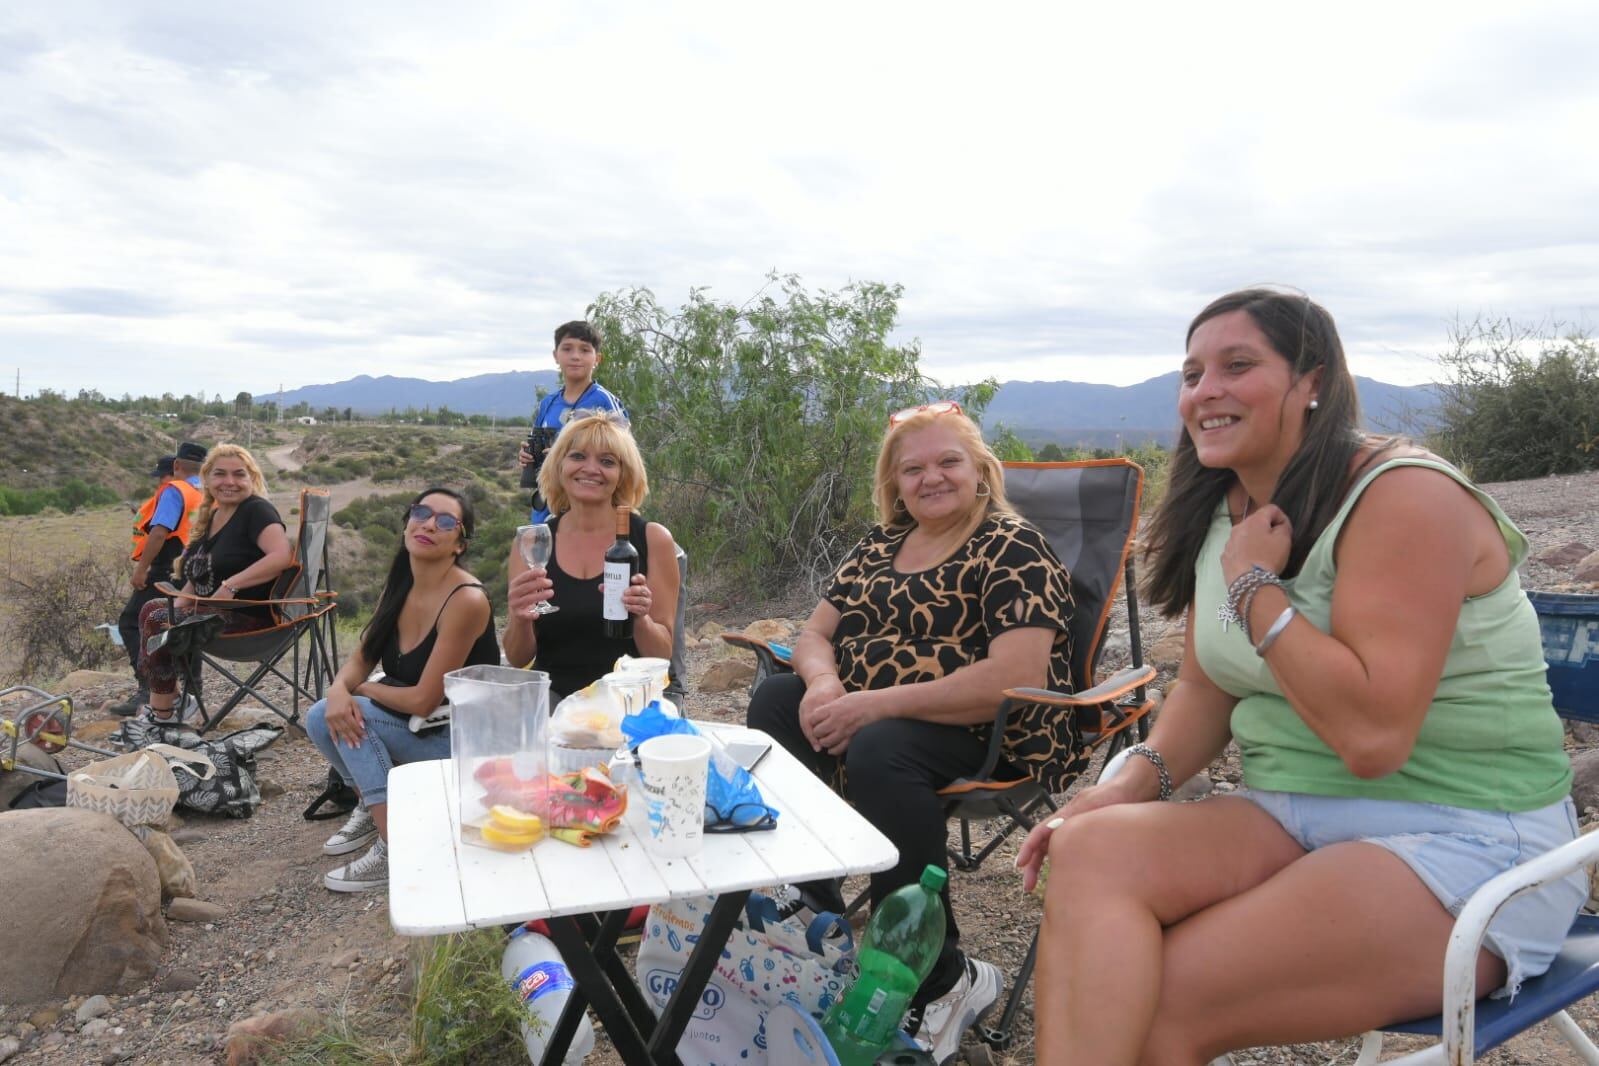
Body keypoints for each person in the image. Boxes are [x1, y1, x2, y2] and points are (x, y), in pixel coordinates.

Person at [1016, 288, 1581, 1066]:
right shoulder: (1223, 501)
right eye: (1191, 373)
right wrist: (1126, 785)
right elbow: (1210, 684)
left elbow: (1372, 738)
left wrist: (1255, 587)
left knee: (1159, 1002)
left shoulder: (1404, 495)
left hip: (1466, 834)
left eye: (1236, 365)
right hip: (1291, 814)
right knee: (1091, 850)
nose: (1203, 390)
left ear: (1311, 380)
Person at [746, 401, 1082, 1065]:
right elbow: (813, 634)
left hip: (991, 728)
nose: (931, 478)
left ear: (979, 469)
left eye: (947, 462)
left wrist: (870, 706)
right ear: (893, 483)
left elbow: (1009, 676)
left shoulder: (1012, 546)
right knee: (774, 702)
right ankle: (819, 915)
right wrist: (822, 686)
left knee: (881, 744)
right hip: (876, 711)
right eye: (912, 469)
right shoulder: (877, 546)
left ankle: (944, 977)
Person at [306, 488, 498, 893]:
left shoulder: (466, 599)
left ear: (459, 544)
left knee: (349, 709)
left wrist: (359, 692)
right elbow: (361, 659)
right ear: (407, 521)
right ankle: (369, 802)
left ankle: (397, 845)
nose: (429, 523)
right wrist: (341, 687)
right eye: (422, 512)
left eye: (446, 521)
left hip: (462, 743)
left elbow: (424, 699)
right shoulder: (400, 585)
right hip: (418, 727)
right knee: (322, 714)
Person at [503, 412, 677, 700]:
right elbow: (518, 658)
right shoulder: (533, 541)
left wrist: (641, 620)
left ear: (623, 474)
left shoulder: (652, 540)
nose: (591, 469)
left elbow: (663, 655)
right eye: (578, 456)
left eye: (607, 461)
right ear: (559, 466)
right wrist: (520, 619)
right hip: (553, 705)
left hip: (628, 701)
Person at [135, 444, 293, 724]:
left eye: (238, 475)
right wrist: (179, 604)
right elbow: (197, 577)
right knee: (154, 609)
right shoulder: (214, 517)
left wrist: (231, 586)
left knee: (160, 616)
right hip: (214, 613)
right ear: (207, 479)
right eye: (220, 474)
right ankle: (171, 701)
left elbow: (281, 556)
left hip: (248, 616)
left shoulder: (257, 510)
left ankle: (162, 715)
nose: (229, 482)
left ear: (251, 479)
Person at [110, 442, 205, 715]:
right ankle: (192, 689)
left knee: (132, 622)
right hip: (194, 569)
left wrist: (142, 570)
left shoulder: (175, 490)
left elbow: (160, 533)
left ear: (176, 466)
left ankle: (147, 690)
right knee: (185, 626)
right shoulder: (204, 492)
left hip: (167, 568)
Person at [518, 320, 627, 524]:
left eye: (585, 350)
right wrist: (527, 455)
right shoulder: (547, 404)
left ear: (597, 359)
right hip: (546, 510)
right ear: (556, 356)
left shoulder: (605, 402)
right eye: (567, 349)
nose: (575, 356)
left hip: (589, 512)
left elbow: (625, 457)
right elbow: (535, 444)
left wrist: (566, 457)